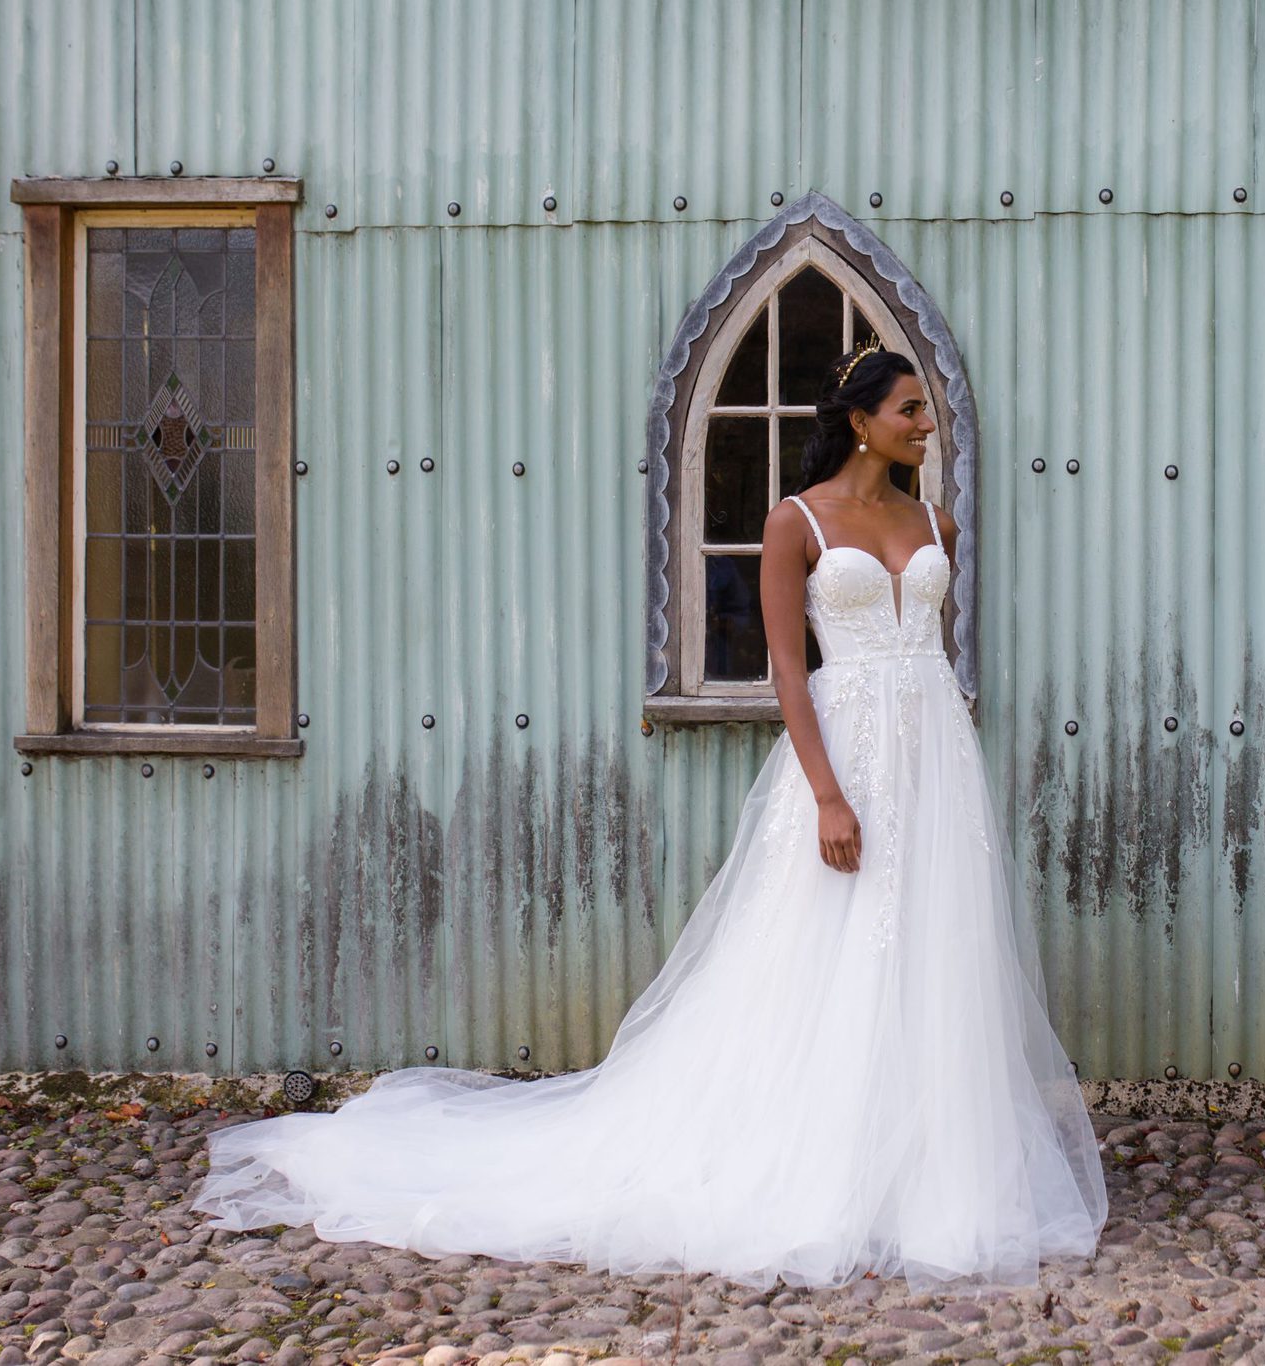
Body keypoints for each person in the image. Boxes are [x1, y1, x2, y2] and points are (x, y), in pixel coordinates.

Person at [195, 341, 1108, 1291]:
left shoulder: (936, 524)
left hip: (935, 761)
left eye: (927, 414)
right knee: (830, 951)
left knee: (934, 953)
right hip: (848, 756)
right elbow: (790, 671)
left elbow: (932, 654)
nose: (927, 427)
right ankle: (810, 1161)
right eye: (911, 412)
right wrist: (830, 793)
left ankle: (932, 1177)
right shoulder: (795, 523)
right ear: (859, 420)